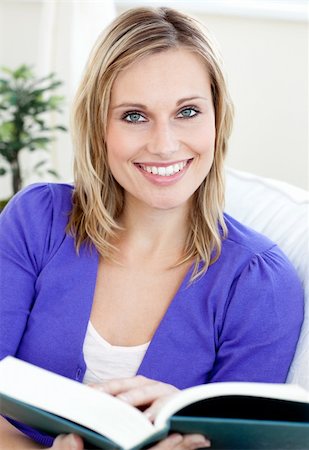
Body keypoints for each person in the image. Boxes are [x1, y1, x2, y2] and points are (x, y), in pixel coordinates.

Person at [0, 6, 304, 450]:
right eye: (134, 116)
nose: (164, 144)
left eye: (187, 111)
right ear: (98, 126)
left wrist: (197, 428)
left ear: (218, 119)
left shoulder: (260, 285)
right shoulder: (37, 222)